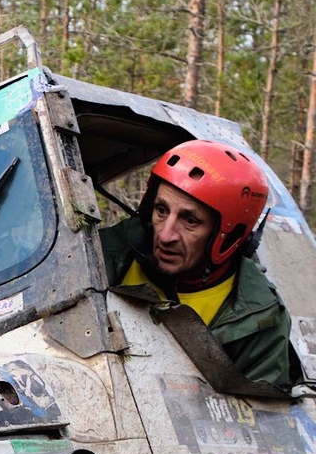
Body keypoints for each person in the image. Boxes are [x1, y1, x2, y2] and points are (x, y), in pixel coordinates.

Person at [95, 138, 296, 390]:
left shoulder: (260, 317)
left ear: (228, 234)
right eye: (161, 210)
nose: (166, 235)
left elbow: (263, 420)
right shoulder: (99, 256)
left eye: (190, 220)